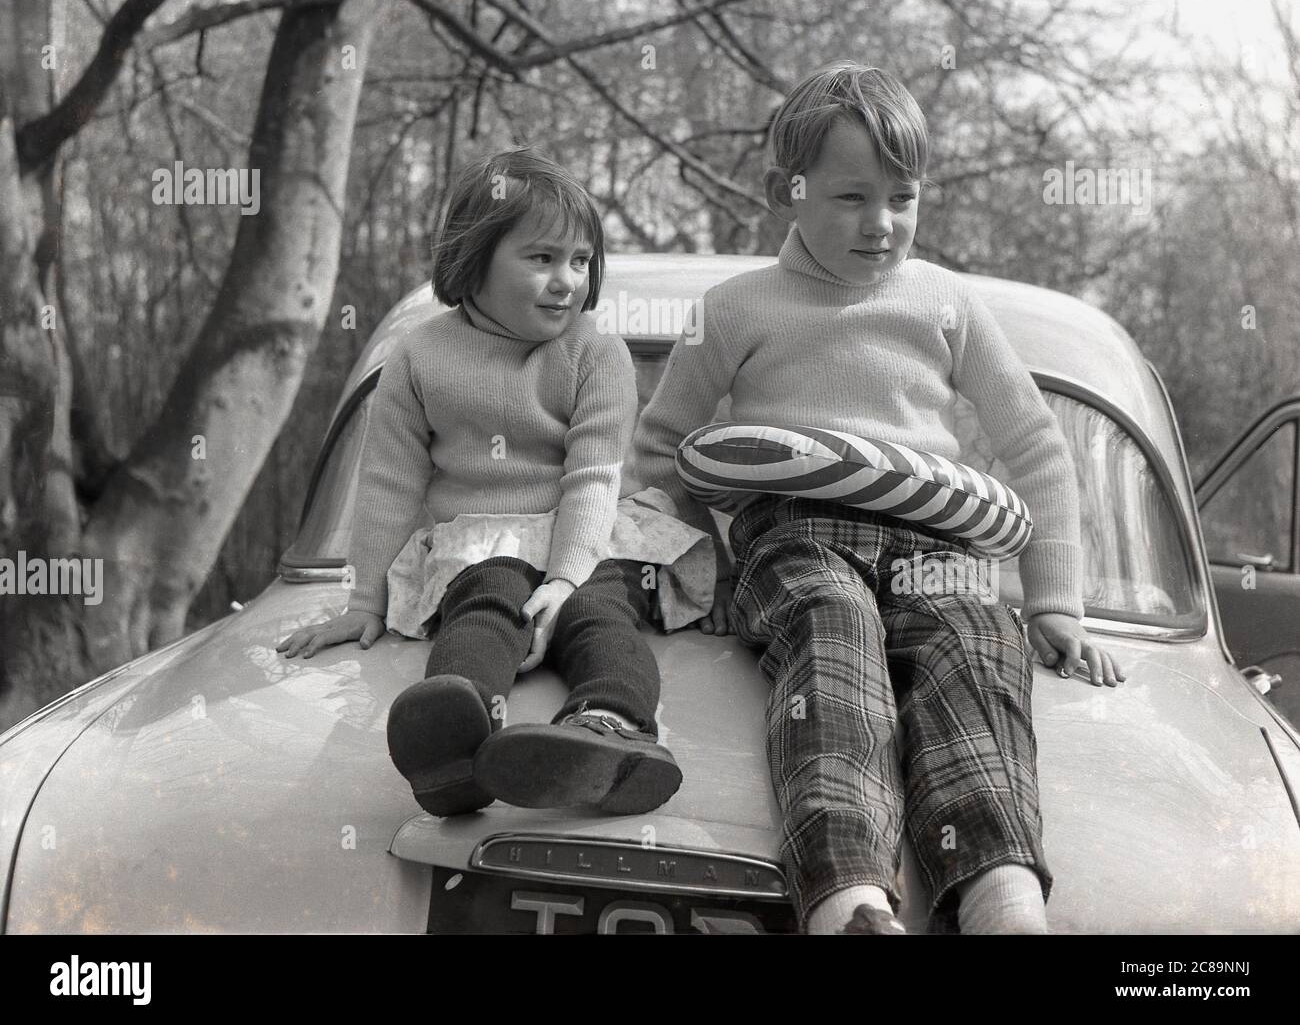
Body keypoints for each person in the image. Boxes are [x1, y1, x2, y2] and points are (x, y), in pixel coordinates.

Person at [633, 62, 1126, 934]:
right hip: (797, 535)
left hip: (939, 541)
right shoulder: (738, 309)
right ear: (792, 190)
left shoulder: (945, 302)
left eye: (903, 198)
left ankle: (1000, 894)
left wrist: (1056, 601)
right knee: (833, 636)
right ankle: (848, 899)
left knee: (979, 646)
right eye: (851, 198)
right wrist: (696, 565)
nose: (882, 224)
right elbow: (660, 445)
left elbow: (1037, 444)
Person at [278, 149, 685, 818]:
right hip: (479, 545)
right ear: (476, 259)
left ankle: (612, 729)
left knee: (599, 616)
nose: (567, 282)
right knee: (485, 607)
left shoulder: (596, 352)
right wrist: (365, 598)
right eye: (542, 258)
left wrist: (564, 578)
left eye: (581, 261)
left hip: (586, 541)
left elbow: (592, 475)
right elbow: (389, 481)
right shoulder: (420, 355)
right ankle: (456, 747)